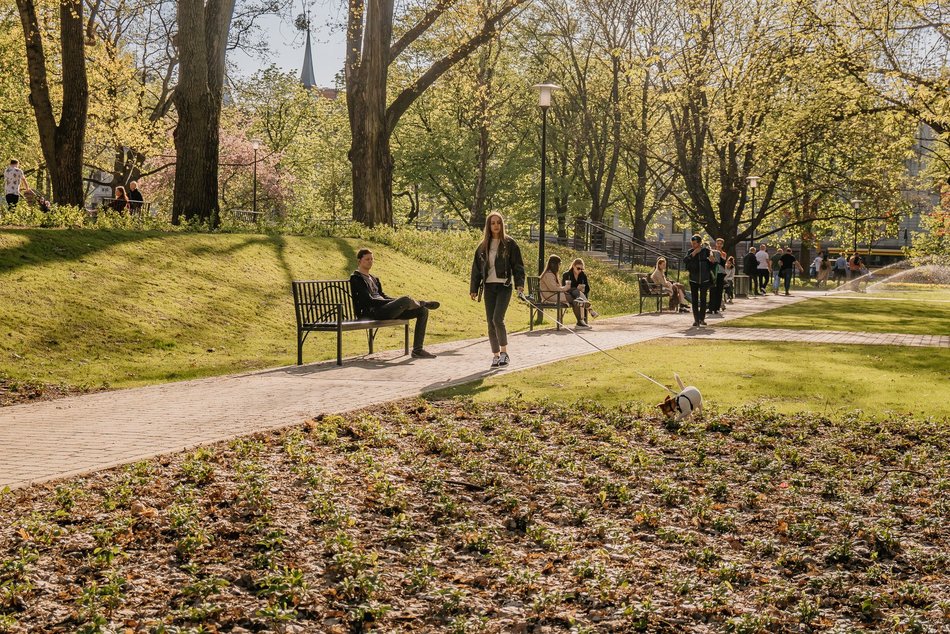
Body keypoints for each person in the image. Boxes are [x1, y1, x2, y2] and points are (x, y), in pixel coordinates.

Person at [349, 248, 439, 359]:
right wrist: (395, 302)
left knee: (423, 311)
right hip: (372, 312)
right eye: (367, 259)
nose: (370, 261)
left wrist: (395, 302)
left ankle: (418, 350)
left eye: (372, 259)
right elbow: (368, 301)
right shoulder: (356, 278)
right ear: (359, 261)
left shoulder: (374, 278)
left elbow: (383, 296)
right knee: (406, 299)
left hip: (385, 310)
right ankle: (421, 302)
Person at [469, 211, 525, 368]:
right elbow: (476, 269)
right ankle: (495, 356)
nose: (495, 225)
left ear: (502, 225)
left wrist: (520, 283)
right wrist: (474, 288)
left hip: (504, 286)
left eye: (498, 222)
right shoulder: (482, 247)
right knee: (490, 322)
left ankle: (504, 353)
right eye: (492, 223)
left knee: (497, 319)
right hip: (489, 287)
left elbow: (518, 266)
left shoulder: (510, 244)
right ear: (488, 226)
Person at [540, 255, 589, 328]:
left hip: (555, 294)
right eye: (559, 264)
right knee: (575, 299)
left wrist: (564, 289)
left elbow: (556, 288)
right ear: (554, 264)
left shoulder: (552, 274)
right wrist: (565, 288)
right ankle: (580, 321)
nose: (559, 266)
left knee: (576, 298)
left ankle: (580, 320)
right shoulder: (548, 274)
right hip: (549, 296)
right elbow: (553, 289)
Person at [683, 235, 715, 327]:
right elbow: (685, 260)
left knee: (703, 299)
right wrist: (693, 254)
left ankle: (702, 319)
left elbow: (713, 260)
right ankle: (696, 320)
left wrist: (712, 258)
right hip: (693, 279)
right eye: (692, 244)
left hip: (705, 279)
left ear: (699, 243)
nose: (693, 245)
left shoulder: (706, 251)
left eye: (695, 244)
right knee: (694, 300)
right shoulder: (690, 251)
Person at [708, 237, 727, 314]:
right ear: (715, 244)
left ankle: (716, 308)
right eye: (718, 243)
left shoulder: (723, 253)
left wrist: (720, 255)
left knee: (719, 290)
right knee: (712, 290)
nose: (719, 245)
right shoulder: (711, 252)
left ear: (722, 245)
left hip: (720, 273)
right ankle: (710, 308)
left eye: (720, 244)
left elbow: (723, 262)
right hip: (713, 273)